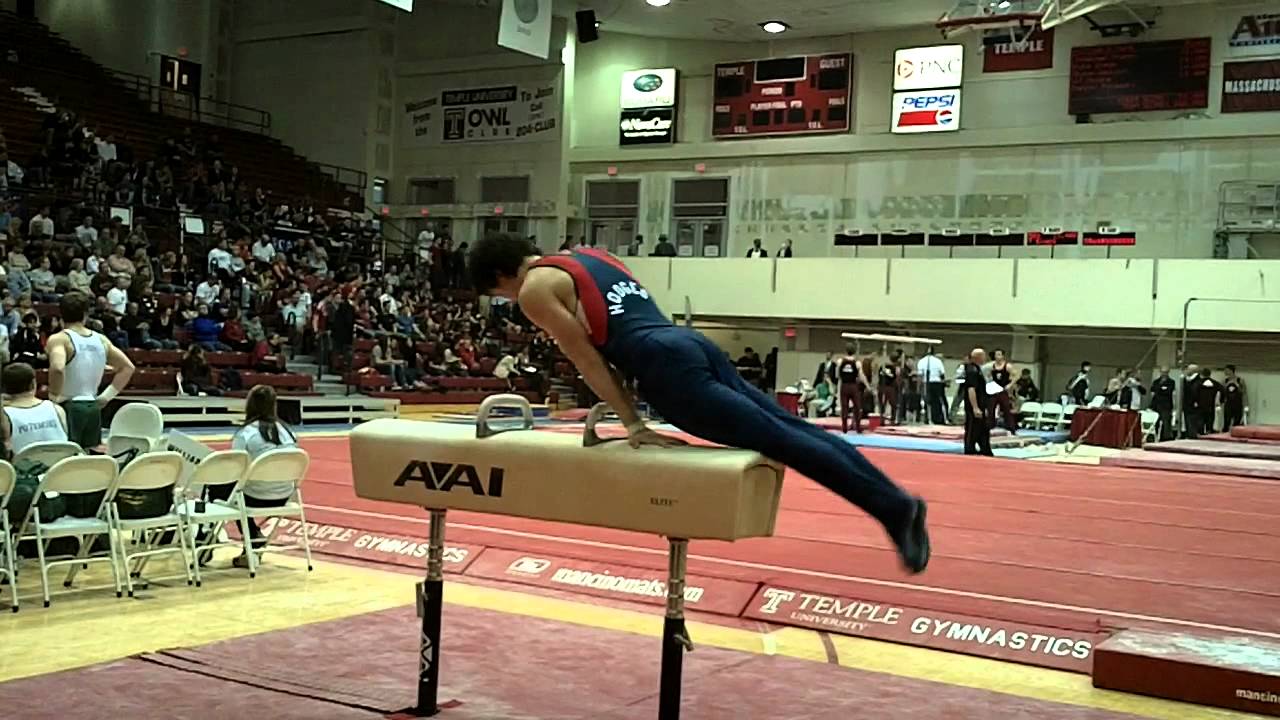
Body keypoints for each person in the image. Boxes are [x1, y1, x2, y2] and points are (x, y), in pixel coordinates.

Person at [467, 235, 929, 574]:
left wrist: (631, 422)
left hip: (661, 363)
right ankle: (896, 503)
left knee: (783, 442)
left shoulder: (533, 289)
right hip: (688, 342)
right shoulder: (590, 255)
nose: (510, 300)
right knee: (797, 431)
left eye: (500, 295)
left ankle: (894, 509)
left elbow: (586, 358)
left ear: (501, 278)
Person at [217, 385, 300, 569]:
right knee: (235, 491)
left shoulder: (246, 433)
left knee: (220, 488)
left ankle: (208, 537)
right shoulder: (289, 432)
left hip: (256, 497)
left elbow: (233, 469)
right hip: (284, 496)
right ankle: (251, 539)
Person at [46, 291, 136, 449]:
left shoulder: (60, 339)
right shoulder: (101, 339)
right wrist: (106, 397)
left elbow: (58, 368)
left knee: (66, 455)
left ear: (61, 313)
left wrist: (54, 397)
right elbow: (128, 368)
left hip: (69, 406)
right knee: (88, 458)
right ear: (86, 314)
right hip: (92, 406)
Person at [1, 362, 69, 457]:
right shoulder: (57, 410)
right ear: (33, 383)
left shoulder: (4, 417)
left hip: (22, 470)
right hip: (60, 468)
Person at [962, 348, 993, 456]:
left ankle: (985, 449)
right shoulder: (972, 371)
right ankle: (969, 449)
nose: (985, 358)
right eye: (983, 356)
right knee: (973, 429)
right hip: (974, 406)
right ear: (978, 357)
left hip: (981, 404)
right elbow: (971, 389)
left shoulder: (978, 369)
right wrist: (975, 407)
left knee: (983, 428)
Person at [836, 344, 866, 434]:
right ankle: (858, 427)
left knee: (844, 407)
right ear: (855, 352)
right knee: (857, 407)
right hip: (853, 386)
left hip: (844, 386)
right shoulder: (857, 363)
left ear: (845, 350)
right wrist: (867, 385)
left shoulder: (840, 361)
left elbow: (837, 375)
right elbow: (861, 376)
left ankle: (844, 427)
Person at [988, 349, 1016, 433]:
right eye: (996, 355)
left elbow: (1016, 376)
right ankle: (990, 426)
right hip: (994, 390)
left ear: (1003, 356)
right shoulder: (992, 366)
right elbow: (989, 376)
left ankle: (1011, 428)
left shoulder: (1007, 366)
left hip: (1003, 390)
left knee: (1006, 409)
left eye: (999, 354)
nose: (997, 356)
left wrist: (1010, 385)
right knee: (990, 408)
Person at [916, 349, 947, 425]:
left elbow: (920, 375)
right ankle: (937, 419)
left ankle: (927, 418)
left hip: (926, 382)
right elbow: (942, 373)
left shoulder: (921, 361)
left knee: (927, 401)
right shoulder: (938, 361)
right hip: (936, 382)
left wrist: (918, 387)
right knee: (936, 402)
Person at [1150, 366, 1176, 441]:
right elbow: (1152, 392)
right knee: (1155, 423)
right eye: (1162, 372)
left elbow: (1169, 392)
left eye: (1165, 372)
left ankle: (1165, 439)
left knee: (1166, 423)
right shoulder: (1156, 381)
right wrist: (1161, 389)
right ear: (1160, 372)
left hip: (1166, 405)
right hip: (1156, 405)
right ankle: (1153, 437)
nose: (1164, 374)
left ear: (1168, 372)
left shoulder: (1171, 382)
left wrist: (1160, 390)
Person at [1222, 365, 1247, 431]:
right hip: (1228, 404)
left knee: (1237, 421)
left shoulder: (1240, 380)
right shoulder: (1225, 381)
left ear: (1231, 371)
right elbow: (1222, 392)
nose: (1225, 372)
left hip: (1237, 403)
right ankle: (1225, 432)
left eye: (1226, 370)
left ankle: (1236, 433)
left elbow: (1244, 392)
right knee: (1227, 421)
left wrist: (1246, 405)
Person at [1180, 363, 1200, 439]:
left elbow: (1196, 392)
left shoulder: (1197, 381)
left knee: (1192, 422)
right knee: (1187, 422)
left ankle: (1193, 436)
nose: (1187, 370)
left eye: (1188, 369)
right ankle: (1189, 434)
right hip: (1186, 404)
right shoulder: (1186, 379)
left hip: (1193, 404)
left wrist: (1196, 402)